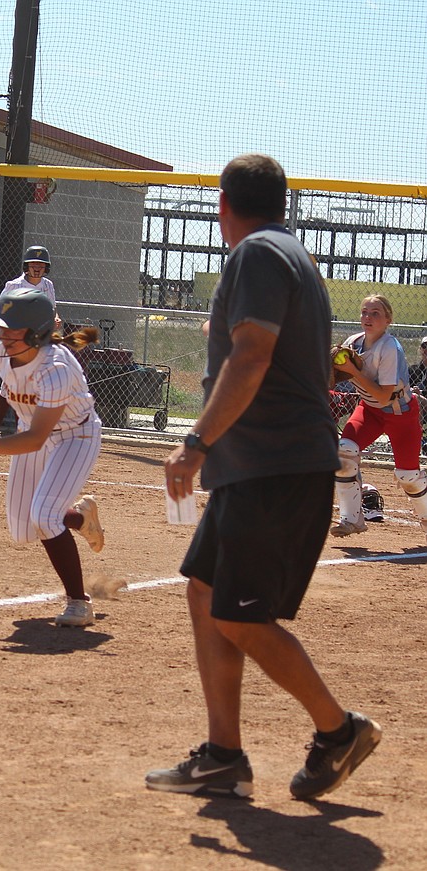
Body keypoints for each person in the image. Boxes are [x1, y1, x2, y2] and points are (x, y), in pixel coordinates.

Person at [147, 154, 379, 801]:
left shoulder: (255, 256)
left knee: (243, 617)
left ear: (224, 204)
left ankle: (338, 730)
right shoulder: (291, 253)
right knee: (204, 590)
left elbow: (252, 355)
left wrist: (195, 443)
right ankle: (223, 754)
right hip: (258, 465)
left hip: (273, 466)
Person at [0, 287, 106, 627]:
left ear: (36, 334)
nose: (3, 335)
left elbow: (36, 439)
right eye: (0, 328)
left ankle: (79, 602)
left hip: (75, 435)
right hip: (34, 428)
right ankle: (80, 519)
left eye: (12, 328)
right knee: (24, 531)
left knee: (45, 517)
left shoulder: (56, 369)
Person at [329, 295, 427, 540]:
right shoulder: (354, 342)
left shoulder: (390, 347)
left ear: (388, 320)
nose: (367, 318)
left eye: (375, 313)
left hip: (399, 414)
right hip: (369, 411)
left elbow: (384, 396)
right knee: (344, 452)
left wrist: (351, 371)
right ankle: (351, 520)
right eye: (364, 312)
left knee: (408, 477)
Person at [0, 245, 60, 436]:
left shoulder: (47, 286)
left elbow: (51, 310)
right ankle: (4, 431)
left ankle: (1, 431)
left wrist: (55, 318)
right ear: (26, 265)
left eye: (41, 265)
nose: (37, 267)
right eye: (34, 263)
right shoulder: (14, 286)